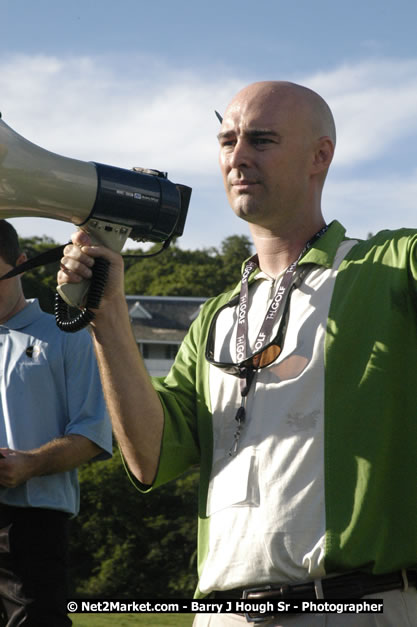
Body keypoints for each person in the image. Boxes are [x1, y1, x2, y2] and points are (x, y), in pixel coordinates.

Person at [57, 81, 417, 626]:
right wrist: (107, 318)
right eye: (227, 140)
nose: (238, 157)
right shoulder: (214, 317)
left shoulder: (394, 266)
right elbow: (149, 457)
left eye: (262, 140)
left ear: (321, 156)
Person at [0, 220, 112, 626]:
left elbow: (94, 433)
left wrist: (30, 464)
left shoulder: (68, 334)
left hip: (32, 528)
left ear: (22, 264)